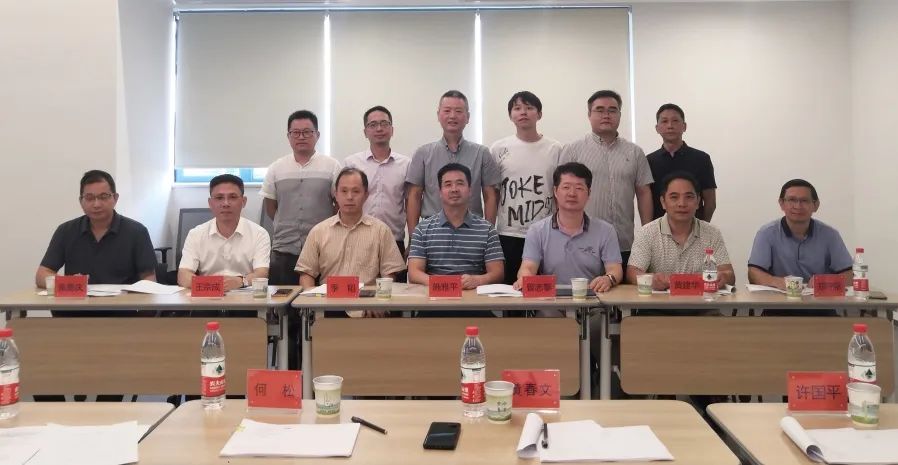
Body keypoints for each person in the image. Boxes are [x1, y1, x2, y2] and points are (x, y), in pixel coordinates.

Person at [514, 162, 622, 316]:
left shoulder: (606, 231)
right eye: (566, 187)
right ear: (555, 191)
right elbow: (528, 267)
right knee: (547, 318)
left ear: (589, 193)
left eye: (579, 188)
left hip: (592, 304)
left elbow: (615, 269)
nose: (572, 193)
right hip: (551, 303)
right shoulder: (537, 230)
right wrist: (525, 278)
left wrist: (608, 279)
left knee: (600, 320)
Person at [560, 90, 653, 267]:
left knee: (625, 286)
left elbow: (643, 193)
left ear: (619, 115)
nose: (606, 115)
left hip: (624, 243)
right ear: (589, 114)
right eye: (600, 110)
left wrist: (648, 234)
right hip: (583, 243)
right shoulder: (573, 150)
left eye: (612, 110)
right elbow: (560, 194)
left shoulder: (635, 152)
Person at [297, 168, 405, 318]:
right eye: (344, 191)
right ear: (336, 194)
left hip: (368, 308)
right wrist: (313, 305)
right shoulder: (319, 231)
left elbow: (389, 274)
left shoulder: (381, 230)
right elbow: (306, 274)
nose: (349, 197)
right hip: (327, 307)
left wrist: (378, 301)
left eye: (356, 191)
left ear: (366, 195)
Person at [408, 163, 504, 316]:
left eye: (460, 183)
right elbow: (414, 272)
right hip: (433, 305)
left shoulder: (487, 229)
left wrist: (477, 280)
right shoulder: (423, 229)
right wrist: (442, 284)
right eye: (448, 184)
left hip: (475, 305)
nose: (454, 189)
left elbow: (497, 272)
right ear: (440, 192)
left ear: (470, 190)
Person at [36, 169, 157, 289]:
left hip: (123, 301)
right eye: (89, 198)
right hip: (78, 300)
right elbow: (42, 275)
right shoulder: (66, 231)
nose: (96, 204)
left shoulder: (137, 232)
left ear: (115, 198)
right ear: (81, 201)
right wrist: (70, 283)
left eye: (103, 197)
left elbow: (149, 278)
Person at [748, 179, 852, 317]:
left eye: (804, 201)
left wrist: (824, 282)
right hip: (777, 309)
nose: (798, 206)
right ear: (781, 204)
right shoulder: (766, 233)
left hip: (822, 309)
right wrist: (778, 281)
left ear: (816, 205)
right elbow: (754, 273)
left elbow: (849, 275)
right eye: (792, 200)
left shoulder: (830, 235)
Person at [261, 110, 341, 285]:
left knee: (321, 297)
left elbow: (338, 205)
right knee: (283, 297)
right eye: (296, 132)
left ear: (317, 135)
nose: (301, 137)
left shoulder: (332, 166)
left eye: (307, 132)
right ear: (288, 136)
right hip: (284, 248)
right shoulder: (276, 168)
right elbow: (271, 207)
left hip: (323, 247)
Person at [406, 90, 501, 238]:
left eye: (458, 111)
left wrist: (488, 235)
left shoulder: (482, 153)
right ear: (438, 115)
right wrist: (413, 238)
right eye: (447, 110)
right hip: (432, 232)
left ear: (468, 117)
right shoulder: (423, 153)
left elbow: (490, 196)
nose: (452, 116)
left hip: (472, 232)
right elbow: (414, 196)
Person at [491, 91, 562, 285]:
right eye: (517, 108)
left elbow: (560, 191)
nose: (523, 112)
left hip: (546, 231)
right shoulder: (498, 148)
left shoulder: (555, 148)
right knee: (511, 288)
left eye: (529, 108)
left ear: (539, 114)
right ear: (510, 115)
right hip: (509, 232)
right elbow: (493, 193)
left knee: (545, 289)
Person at [626, 171, 734, 292]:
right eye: (674, 197)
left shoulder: (712, 233)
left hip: (702, 303)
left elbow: (728, 273)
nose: (682, 204)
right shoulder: (647, 233)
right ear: (663, 202)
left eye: (689, 197)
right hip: (660, 303)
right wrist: (650, 279)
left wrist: (724, 277)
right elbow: (632, 272)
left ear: (698, 202)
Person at [177, 174, 270, 292]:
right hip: (207, 297)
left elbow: (262, 273)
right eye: (219, 197)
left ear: (243, 201)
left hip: (245, 297)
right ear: (210, 203)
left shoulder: (259, 234)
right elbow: (183, 276)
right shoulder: (196, 234)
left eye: (233, 197)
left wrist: (240, 281)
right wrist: (214, 286)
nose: (226, 203)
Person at [343, 106, 410, 257]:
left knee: (395, 274)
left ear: (392, 130)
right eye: (373, 125)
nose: (379, 128)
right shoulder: (352, 163)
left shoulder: (406, 164)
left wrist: (413, 239)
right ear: (365, 132)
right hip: (356, 238)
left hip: (393, 240)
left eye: (384, 124)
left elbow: (410, 203)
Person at [647, 103, 717, 221]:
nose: (670, 126)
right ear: (657, 128)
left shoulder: (701, 159)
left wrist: (702, 227)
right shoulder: (649, 161)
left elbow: (710, 201)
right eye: (664, 121)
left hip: (694, 227)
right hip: (659, 229)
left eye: (675, 121)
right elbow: (646, 200)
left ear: (684, 126)